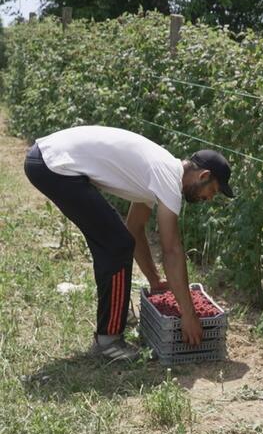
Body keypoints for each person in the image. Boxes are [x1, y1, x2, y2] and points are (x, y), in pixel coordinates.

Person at [22, 125, 234, 361]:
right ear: (203, 176)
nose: (209, 198)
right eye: (213, 191)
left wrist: (155, 280)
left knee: (117, 241)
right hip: (53, 164)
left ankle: (116, 315)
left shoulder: (160, 171)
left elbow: (134, 228)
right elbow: (172, 251)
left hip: (48, 158)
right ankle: (109, 340)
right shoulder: (167, 178)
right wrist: (189, 314)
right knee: (116, 245)